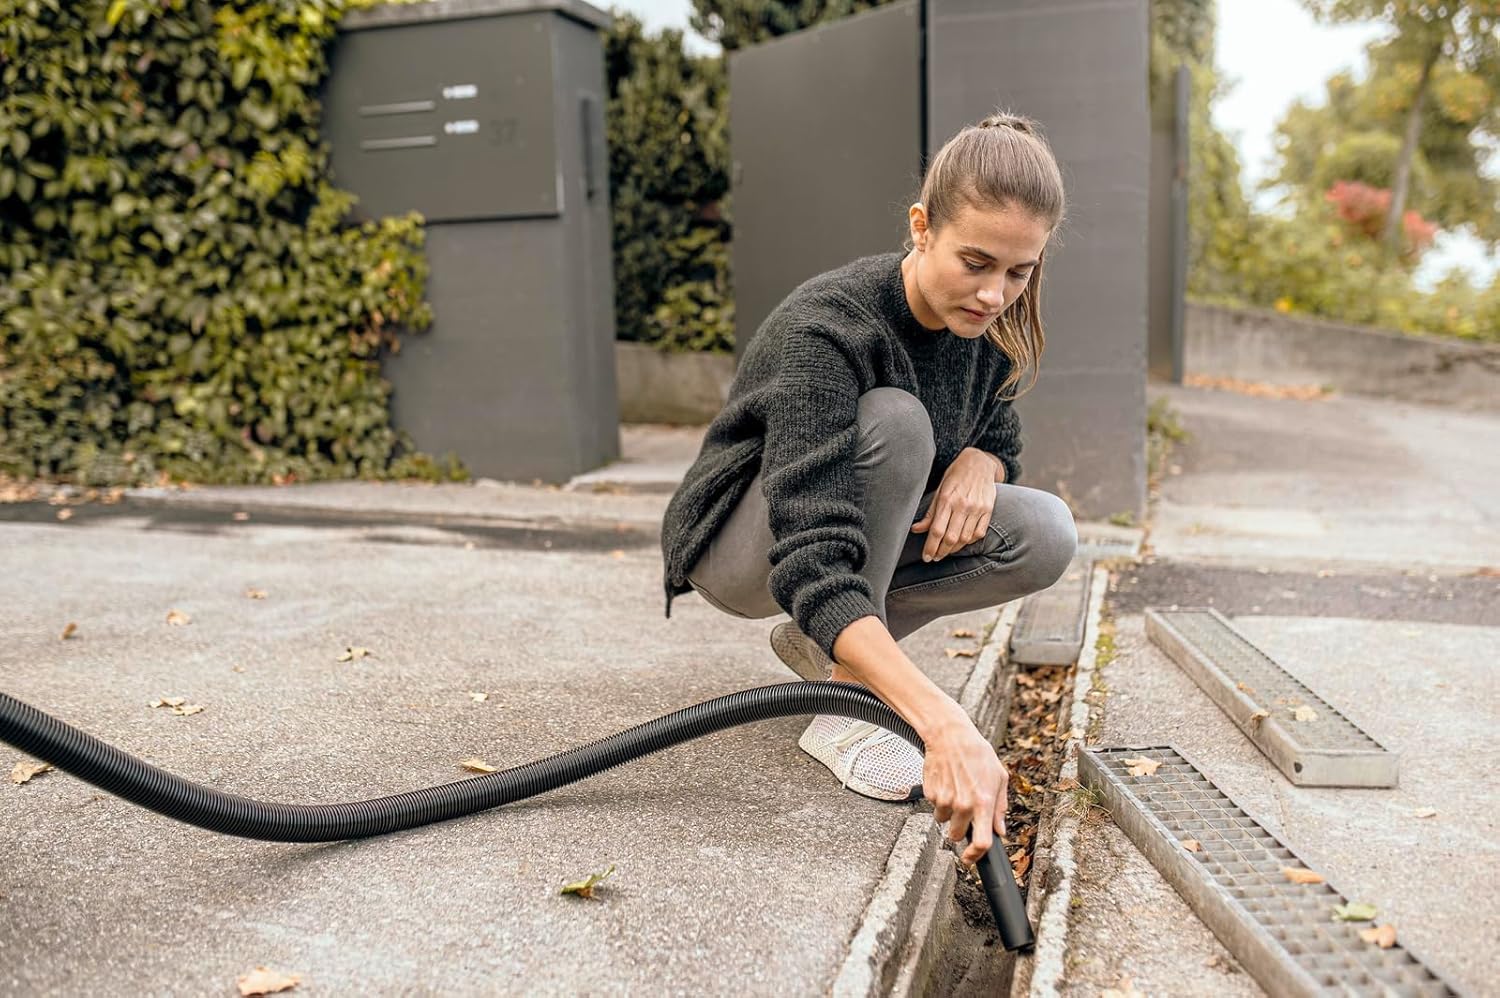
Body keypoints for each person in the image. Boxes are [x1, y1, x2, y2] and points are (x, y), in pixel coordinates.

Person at [658, 111, 1078, 868]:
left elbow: (999, 430)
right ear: (921, 227)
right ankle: (846, 700)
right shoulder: (832, 326)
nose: (994, 295)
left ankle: (829, 644)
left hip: (834, 547)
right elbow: (810, 553)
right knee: (898, 422)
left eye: (1020, 272)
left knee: (1045, 531)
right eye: (976, 262)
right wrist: (940, 720)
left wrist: (985, 460)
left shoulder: (988, 334)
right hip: (744, 549)